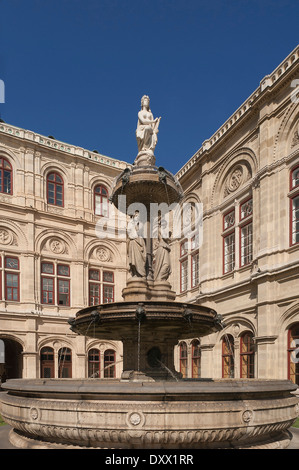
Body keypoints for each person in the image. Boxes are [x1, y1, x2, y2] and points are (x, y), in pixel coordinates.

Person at [127, 211, 146, 278]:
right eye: (136, 216)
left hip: (139, 242)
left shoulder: (140, 224)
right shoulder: (130, 223)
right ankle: (134, 273)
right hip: (133, 242)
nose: (137, 217)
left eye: (138, 216)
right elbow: (129, 231)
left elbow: (140, 232)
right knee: (133, 260)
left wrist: (136, 227)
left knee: (139, 259)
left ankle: (141, 273)